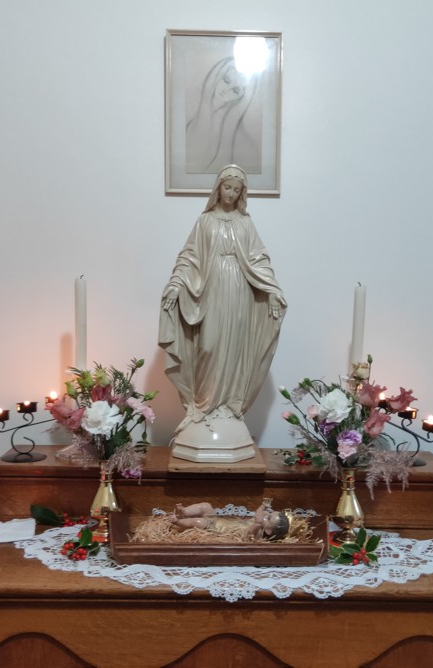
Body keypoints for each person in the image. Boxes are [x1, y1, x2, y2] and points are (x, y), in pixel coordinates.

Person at [159, 165, 287, 458]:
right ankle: (202, 405)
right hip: (211, 289)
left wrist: (273, 290)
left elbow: (259, 259)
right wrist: (176, 284)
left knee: (234, 349)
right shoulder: (205, 221)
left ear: (242, 193)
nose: (231, 193)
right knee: (209, 345)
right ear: (218, 188)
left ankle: (228, 408)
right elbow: (189, 257)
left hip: (239, 290)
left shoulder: (244, 223)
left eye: (237, 189)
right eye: (227, 187)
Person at [185, 57, 260, 173]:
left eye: (235, 90)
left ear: (241, 97)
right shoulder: (192, 124)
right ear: (218, 76)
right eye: (226, 80)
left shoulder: (242, 141)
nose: (226, 90)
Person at [171, 500, 291, 541]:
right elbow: (258, 514)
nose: (266, 514)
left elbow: (250, 533)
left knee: (198, 522)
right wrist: (263, 506)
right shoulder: (259, 523)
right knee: (206, 506)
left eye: (268, 518)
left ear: (268, 531)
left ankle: (178, 522)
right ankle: (185, 512)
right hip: (217, 520)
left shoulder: (257, 534)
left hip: (213, 529)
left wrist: (257, 524)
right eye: (270, 513)